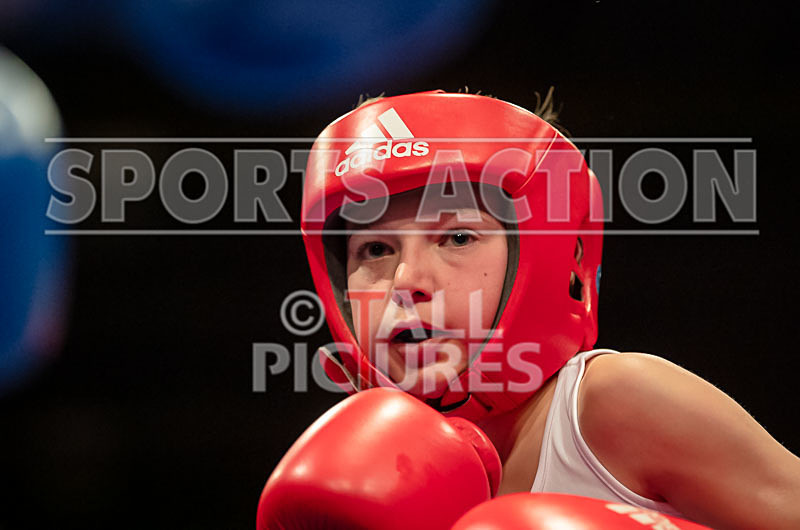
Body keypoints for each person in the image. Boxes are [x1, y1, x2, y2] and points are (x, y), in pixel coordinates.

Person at [259, 90, 800, 529]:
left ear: (549, 258)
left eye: (458, 237)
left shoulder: (617, 403)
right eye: (375, 250)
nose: (405, 281)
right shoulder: (351, 475)